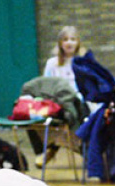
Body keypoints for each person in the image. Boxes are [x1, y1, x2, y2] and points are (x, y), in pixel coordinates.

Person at [33, 25, 87, 167]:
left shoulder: (84, 61)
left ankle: (61, 146)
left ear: (78, 42)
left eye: (73, 39)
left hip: (77, 101)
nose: (69, 43)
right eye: (65, 39)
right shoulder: (52, 63)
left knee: (77, 110)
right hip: (56, 102)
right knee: (32, 113)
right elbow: (46, 85)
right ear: (60, 43)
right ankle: (44, 149)